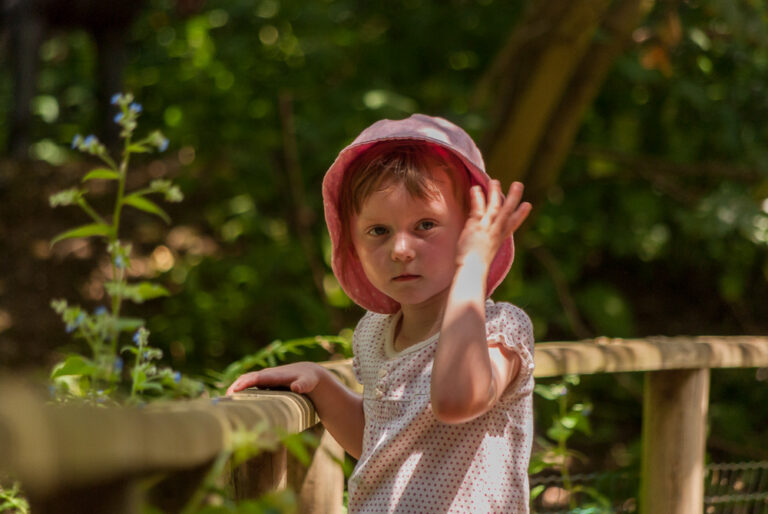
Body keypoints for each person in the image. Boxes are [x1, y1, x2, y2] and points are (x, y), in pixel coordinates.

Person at [227, 114, 535, 513]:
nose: (401, 250)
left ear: (469, 231)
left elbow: (456, 401)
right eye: (378, 231)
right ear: (350, 243)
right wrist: (321, 385)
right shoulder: (374, 334)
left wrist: (472, 266)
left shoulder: (500, 329)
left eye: (425, 225)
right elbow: (382, 444)